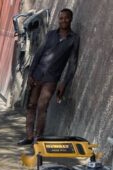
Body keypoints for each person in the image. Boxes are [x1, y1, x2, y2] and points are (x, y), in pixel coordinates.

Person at [18, 8, 80, 146]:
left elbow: (72, 64)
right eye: (61, 18)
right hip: (38, 74)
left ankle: (38, 138)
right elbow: (38, 54)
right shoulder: (51, 35)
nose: (63, 20)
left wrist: (64, 82)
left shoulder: (74, 39)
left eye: (66, 18)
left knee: (42, 105)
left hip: (52, 79)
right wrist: (31, 73)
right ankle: (29, 136)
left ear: (71, 19)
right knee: (31, 105)